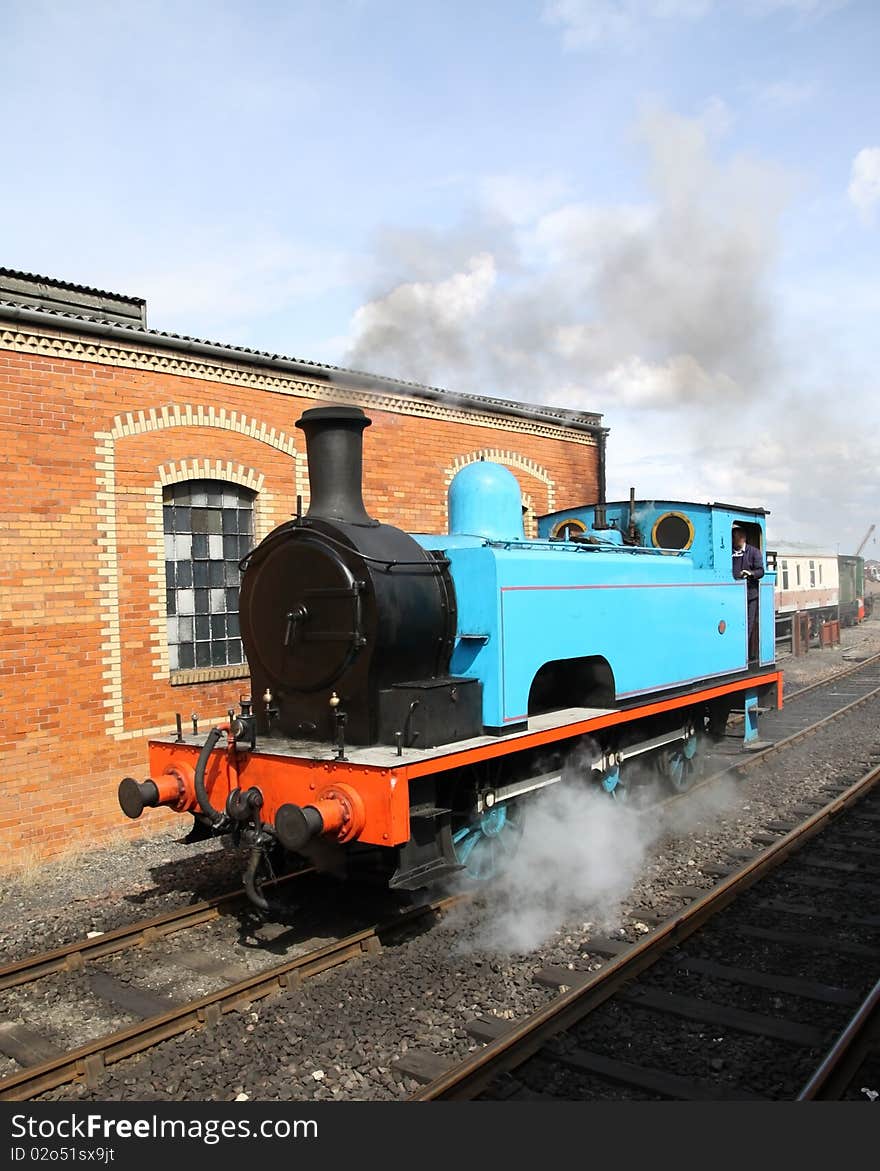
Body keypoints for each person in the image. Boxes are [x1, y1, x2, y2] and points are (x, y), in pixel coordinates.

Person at [732, 523, 764, 663]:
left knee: (748, 625)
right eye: (733, 536)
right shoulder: (730, 552)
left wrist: (750, 573)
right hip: (733, 595)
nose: (734, 539)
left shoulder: (754, 552)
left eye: (736, 536)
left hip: (749, 595)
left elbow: (761, 571)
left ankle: (746, 655)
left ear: (742, 537)